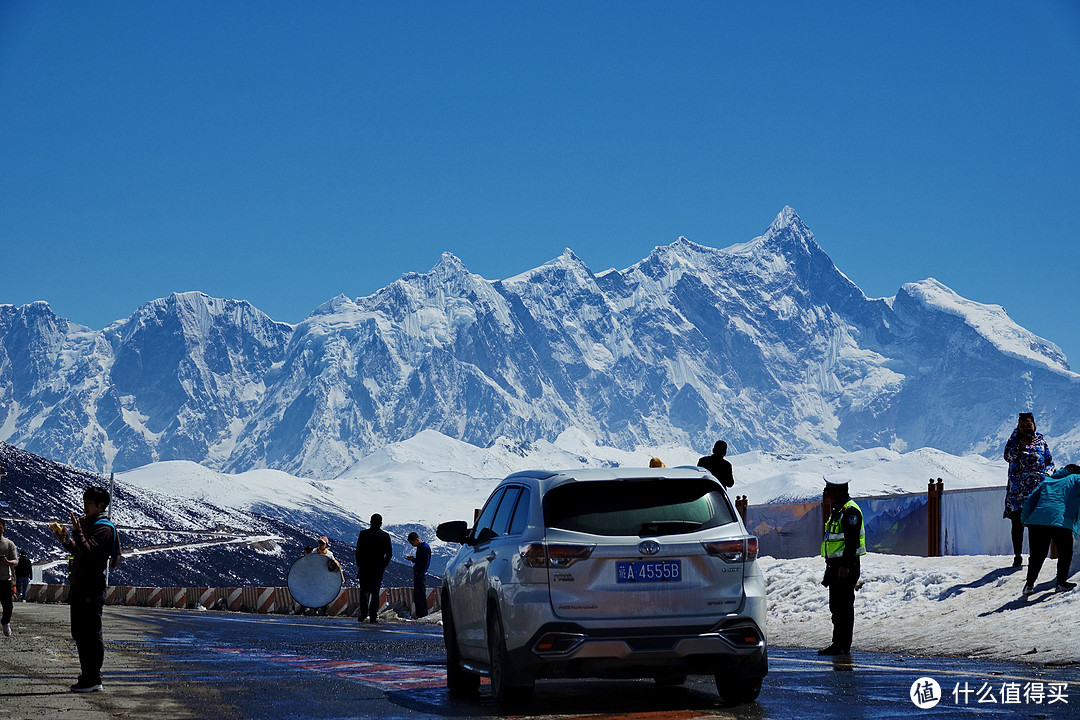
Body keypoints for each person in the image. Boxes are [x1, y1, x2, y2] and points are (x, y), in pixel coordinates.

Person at [50, 486, 119, 693]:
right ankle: (86, 675)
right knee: (80, 632)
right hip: (80, 585)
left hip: (91, 587)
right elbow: (78, 550)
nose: (85, 506)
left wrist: (78, 532)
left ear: (101, 505)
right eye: (84, 502)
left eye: (89, 503)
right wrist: (64, 538)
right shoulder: (89, 525)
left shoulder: (104, 529)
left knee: (91, 632)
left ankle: (94, 677)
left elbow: (89, 553)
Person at [818, 476, 865, 656]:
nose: (826, 494)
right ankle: (837, 643)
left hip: (846, 566)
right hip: (835, 565)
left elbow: (852, 542)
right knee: (836, 606)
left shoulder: (850, 511)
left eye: (829, 490)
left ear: (839, 492)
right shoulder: (838, 510)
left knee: (844, 607)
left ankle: (843, 645)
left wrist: (845, 565)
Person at [1003, 412, 1054, 568]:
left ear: (1034, 425)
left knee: (1035, 524)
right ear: (1019, 426)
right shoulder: (1014, 441)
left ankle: (1035, 556)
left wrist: (1047, 475)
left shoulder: (1041, 441)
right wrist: (1020, 446)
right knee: (1018, 523)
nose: (1026, 428)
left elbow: (1049, 462)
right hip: (1018, 491)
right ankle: (1018, 555)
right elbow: (1007, 457)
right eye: (1023, 425)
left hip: (1037, 489)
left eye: (1029, 425)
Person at [1020, 463, 1080, 595]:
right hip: (1059, 520)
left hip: (1036, 521)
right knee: (1065, 552)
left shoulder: (1047, 480)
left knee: (1036, 555)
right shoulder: (1076, 478)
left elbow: (1030, 500)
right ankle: (1061, 583)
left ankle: (1029, 585)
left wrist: (1024, 520)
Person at [354, 514, 392, 624]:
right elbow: (389, 554)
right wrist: (383, 565)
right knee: (375, 592)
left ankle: (363, 614)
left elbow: (358, 551)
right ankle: (373, 616)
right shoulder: (385, 536)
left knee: (364, 591)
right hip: (378, 568)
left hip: (365, 567)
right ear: (381, 523)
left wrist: (360, 564)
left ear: (370, 521)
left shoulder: (363, 534)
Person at [405, 532, 431, 619]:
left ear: (417, 540)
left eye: (412, 543)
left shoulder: (425, 548)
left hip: (421, 573)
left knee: (421, 596)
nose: (412, 545)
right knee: (417, 596)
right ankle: (419, 614)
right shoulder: (420, 547)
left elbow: (424, 562)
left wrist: (414, 560)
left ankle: (423, 614)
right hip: (418, 572)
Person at [0, 520, 16, 637]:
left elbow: (15, 561)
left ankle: (5, 622)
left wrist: (8, 562)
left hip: (5, 579)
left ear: (3, 528)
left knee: (8, 605)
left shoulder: (9, 544)